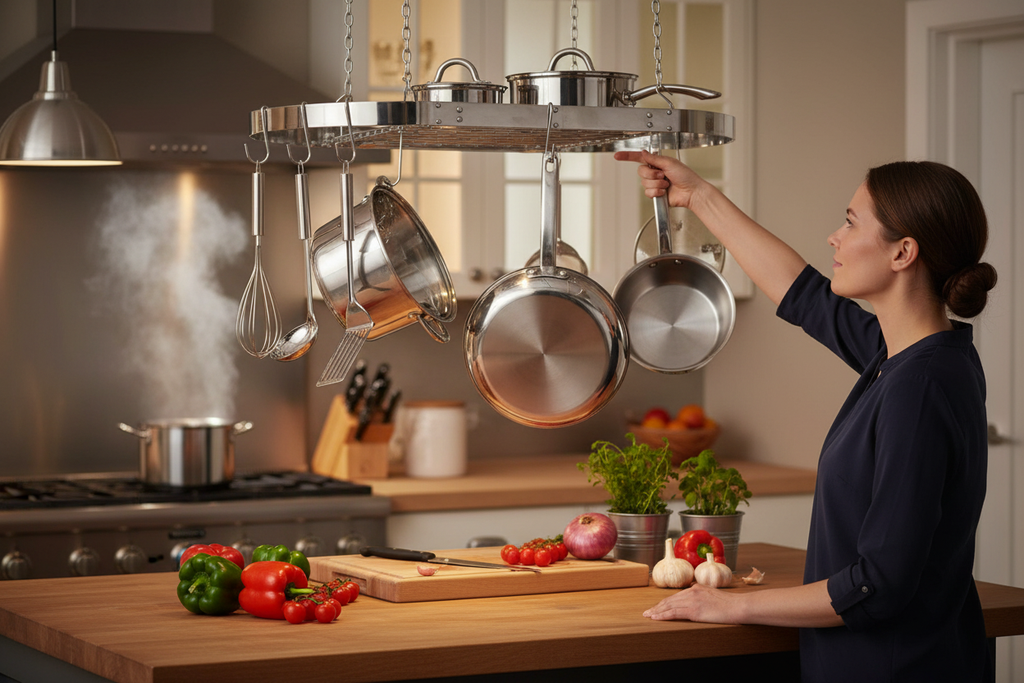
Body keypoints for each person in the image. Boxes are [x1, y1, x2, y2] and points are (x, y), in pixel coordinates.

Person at [614, 150, 998, 682]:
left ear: (903, 252)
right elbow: (804, 294)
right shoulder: (912, 357)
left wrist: (732, 605)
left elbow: (878, 583)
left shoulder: (919, 386)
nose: (834, 238)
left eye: (850, 222)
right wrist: (697, 196)